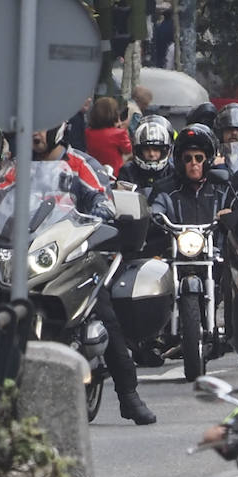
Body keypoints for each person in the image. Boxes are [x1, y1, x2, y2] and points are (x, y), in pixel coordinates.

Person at [30, 126, 156, 424]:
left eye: (40, 127)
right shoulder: (18, 167)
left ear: (57, 130)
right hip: (28, 255)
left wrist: (100, 209)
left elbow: (103, 198)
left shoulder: (80, 164)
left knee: (103, 312)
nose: (34, 133)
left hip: (76, 256)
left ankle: (129, 395)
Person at [117, 117, 175, 192]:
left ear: (164, 150)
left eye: (156, 149)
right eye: (146, 149)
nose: (151, 154)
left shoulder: (173, 171)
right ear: (138, 150)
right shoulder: (128, 171)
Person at [84, 96, 132, 173]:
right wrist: (123, 129)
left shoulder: (88, 132)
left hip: (94, 171)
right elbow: (127, 150)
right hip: (114, 173)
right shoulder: (119, 133)